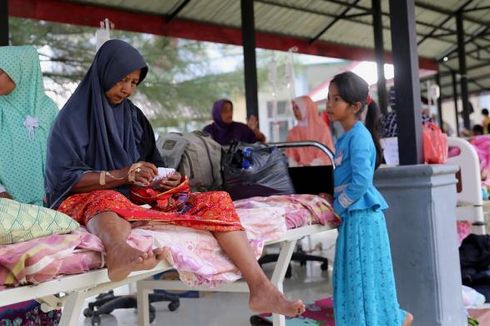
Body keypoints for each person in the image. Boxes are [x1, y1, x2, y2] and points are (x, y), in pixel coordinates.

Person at [45, 40, 304, 317]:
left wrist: (168, 179)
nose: (128, 89)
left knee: (215, 200)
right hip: (83, 199)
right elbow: (63, 177)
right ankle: (119, 251)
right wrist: (117, 176)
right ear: (104, 72)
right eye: (122, 80)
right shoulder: (71, 119)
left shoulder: (133, 116)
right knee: (108, 198)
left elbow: (154, 162)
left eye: (134, 83)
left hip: (134, 197)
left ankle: (260, 286)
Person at [326, 72, 413, 326]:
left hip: (362, 218)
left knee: (363, 280)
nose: (329, 104)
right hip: (352, 218)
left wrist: (338, 207)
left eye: (336, 99)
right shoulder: (344, 137)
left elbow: (362, 180)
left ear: (354, 106)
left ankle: (396, 319)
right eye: (328, 98)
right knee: (355, 280)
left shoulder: (359, 136)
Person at [0, 45, 61, 324]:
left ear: (22, 72)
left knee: (44, 277)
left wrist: (55, 196)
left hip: (46, 209)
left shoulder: (48, 110)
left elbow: (62, 156)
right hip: (6, 208)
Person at [285, 95, 334, 166]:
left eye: (297, 108)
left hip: (321, 171)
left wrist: (312, 165)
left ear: (306, 108)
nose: (294, 111)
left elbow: (326, 154)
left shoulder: (322, 129)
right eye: (293, 108)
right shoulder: (293, 132)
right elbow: (290, 156)